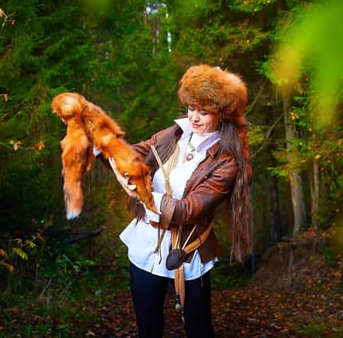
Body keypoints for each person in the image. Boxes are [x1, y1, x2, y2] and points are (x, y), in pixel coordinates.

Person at [108, 64, 253, 338]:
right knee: (147, 329)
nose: (194, 118)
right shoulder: (174, 134)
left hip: (188, 253)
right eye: (191, 108)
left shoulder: (226, 162)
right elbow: (133, 153)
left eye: (204, 112)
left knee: (199, 331)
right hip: (146, 245)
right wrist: (102, 143)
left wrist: (145, 195)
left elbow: (188, 210)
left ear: (221, 115)